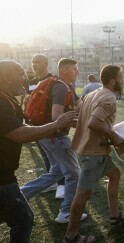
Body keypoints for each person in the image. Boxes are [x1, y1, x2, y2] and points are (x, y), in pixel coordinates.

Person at [0, 60, 78, 243]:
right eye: (20, 73)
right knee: (23, 218)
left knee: (56, 172)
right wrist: (55, 125)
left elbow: (19, 126)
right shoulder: (2, 102)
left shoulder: (7, 99)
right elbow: (19, 134)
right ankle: (66, 212)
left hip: (5, 174)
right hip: (2, 177)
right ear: (6, 78)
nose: (25, 77)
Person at [63, 65, 124, 243]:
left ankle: (114, 214)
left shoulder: (92, 94)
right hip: (93, 153)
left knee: (115, 175)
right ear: (113, 80)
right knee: (82, 194)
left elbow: (80, 118)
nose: (122, 81)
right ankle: (71, 235)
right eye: (121, 77)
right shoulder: (108, 98)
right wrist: (114, 136)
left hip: (88, 149)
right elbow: (93, 123)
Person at [21, 58, 88, 223]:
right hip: (56, 137)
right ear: (64, 70)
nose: (77, 71)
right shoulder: (61, 88)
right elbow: (57, 117)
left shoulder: (64, 85)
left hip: (47, 137)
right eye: (74, 69)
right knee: (74, 174)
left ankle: (20, 194)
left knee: (56, 172)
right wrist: (82, 125)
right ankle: (67, 212)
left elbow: (80, 105)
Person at [29, 54, 67, 199]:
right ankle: (53, 183)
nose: (33, 64)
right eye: (32, 61)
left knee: (58, 158)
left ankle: (62, 185)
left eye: (37, 61)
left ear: (45, 63)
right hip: (35, 126)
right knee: (46, 157)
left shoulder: (53, 82)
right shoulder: (31, 83)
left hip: (50, 126)